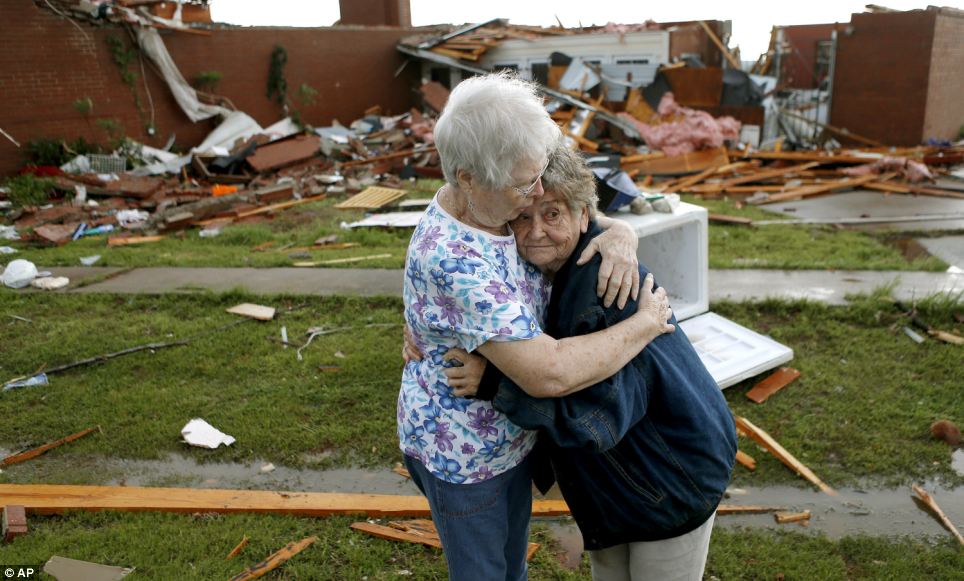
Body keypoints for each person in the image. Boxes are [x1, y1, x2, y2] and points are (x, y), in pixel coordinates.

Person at [398, 72, 676, 581]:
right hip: (466, 455)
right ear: (467, 177)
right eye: (525, 184)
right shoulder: (456, 258)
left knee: (511, 565)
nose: (536, 193)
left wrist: (621, 233)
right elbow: (548, 374)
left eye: (537, 174)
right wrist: (646, 323)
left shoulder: (490, 203)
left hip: (510, 435)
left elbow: (572, 214)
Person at [447, 145, 738, 581]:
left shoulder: (606, 289)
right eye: (523, 217)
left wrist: (496, 384)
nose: (535, 232)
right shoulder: (547, 271)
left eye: (553, 214)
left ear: (583, 216)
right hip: (622, 482)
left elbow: (594, 419)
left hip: (668, 478)